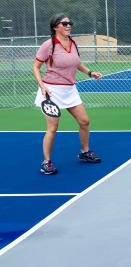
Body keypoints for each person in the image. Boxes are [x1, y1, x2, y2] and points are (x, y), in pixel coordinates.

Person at [33, 14, 103, 175]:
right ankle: (46, 162)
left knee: (84, 121)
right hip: (51, 91)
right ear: (55, 27)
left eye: (69, 23)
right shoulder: (48, 45)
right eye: (64, 24)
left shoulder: (72, 42)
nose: (68, 26)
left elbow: (76, 63)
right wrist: (42, 86)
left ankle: (85, 152)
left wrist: (90, 72)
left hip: (69, 89)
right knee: (53, 128)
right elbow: (35, 67)